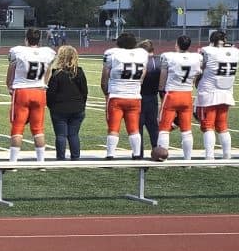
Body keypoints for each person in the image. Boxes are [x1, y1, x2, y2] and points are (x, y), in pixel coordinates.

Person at [6, 26, 56, 162]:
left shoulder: (18, 51)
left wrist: (9, 85)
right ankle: (41, 162)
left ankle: (13, 162)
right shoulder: (47, 53)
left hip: (22, 91)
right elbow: (48, 70)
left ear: (26, 39)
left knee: (17, 127)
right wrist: (44, 83)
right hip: (39, 91)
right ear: (39, 40)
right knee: (38, 128)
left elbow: (11, 69)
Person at [195, 30, 239, 162]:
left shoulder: (207, 51)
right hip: (226, 92)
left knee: (208, 126)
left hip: (209, 92)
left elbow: (200, 68)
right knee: (222, 126)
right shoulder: (235, 52)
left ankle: (209, 156)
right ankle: (227, 155)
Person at [99, 31, 147, 159]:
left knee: (113, 127)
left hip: (117, 96)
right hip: (134, 96)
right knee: (134, 127)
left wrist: (106, 93)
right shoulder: (142, 54)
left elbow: (104, 79)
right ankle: (136, 154)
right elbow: (143, 73)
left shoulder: (112, 54)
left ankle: (110, 155)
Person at [155, 36, 203, 160]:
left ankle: (162, 158)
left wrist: (161, 90)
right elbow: (198, 74)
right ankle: (188, 159)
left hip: (172, 94)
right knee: (186, 130)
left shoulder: (168, 56)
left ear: (177, 44)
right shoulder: (196, 58)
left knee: (164, 128)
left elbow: (162, 78)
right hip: (187, 95)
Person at [47, 45, 88, 160]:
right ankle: (75, 157)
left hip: (59, 109)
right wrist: (81, 105)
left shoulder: (56, 73)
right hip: (77, 108)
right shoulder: (79, 72)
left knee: (61, 135)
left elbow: (51, 93)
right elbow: (84, 92)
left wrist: (51, 106)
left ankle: (61, 158)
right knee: (73, 134)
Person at [137, 38, 161, 146]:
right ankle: (156, 150)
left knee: (138, 127)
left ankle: (138, 153)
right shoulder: (159, 61)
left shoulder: (141, 62)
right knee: (153, 128)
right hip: (153, 97)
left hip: (140, 97)